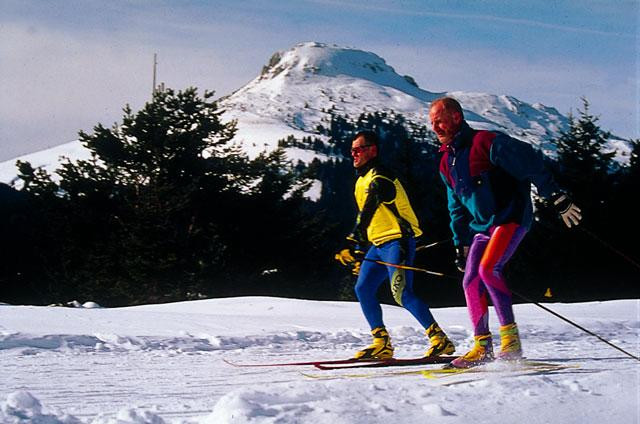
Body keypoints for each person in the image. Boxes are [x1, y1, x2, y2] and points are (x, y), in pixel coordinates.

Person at [429, 97, 582, 368]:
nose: (435, 127)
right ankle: (482, 346)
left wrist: (554, 194)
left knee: (489, 269)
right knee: (470, 281)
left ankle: (511, 343)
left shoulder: (486, 142)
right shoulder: (446, 163)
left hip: (510, 217)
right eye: (432, 123)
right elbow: (456, 206)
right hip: (481, 227)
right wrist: (459, 243)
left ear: (455, 117)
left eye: (439, 121)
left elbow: (528, 160)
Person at [335, 130, 455, 360]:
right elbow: (371, 217)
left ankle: (439, 339)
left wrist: (353, 240)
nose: (353, 154)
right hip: (379, 243)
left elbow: (371, 206)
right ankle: (381, 343)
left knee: (401, 293)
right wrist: (360, 248)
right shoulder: (362, 179)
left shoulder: (381, 176)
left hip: (397, 241)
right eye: (352, 150)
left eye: (358, 149)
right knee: (363, 288)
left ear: (372, 150)